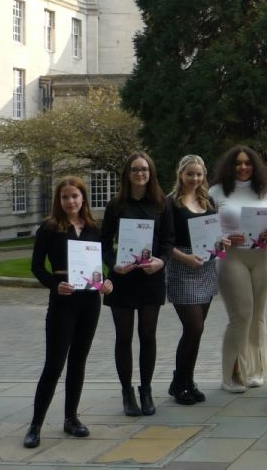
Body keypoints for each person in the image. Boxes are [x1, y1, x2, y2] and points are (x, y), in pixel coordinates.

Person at [24, 177, 114, 448]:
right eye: (65, 197)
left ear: (83, 198)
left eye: (75, 196)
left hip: (89, 300)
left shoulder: (93, 228)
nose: (71, 201)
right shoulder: (49, 228)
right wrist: (54, 284)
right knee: (54, 364)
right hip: (63, 300)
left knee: (78, 362)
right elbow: (37, 267)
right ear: (59, 200)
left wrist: (108, 282)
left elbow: (104, 263)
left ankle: (71, 419)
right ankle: (35, 425)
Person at [101, 151, 174, 417]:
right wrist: (113, 265)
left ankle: (145, 389)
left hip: (150, 278)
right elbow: (104, 243)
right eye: (135, 169)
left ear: (150, 172)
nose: (140, 173)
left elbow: (168, 241)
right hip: (122, 278)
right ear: (127, 174)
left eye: (144, 169)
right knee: (123, 337)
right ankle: (127, 391)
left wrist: (162, 262)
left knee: (148, 336)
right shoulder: (116, 206)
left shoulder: (161, 205)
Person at [209, 145, 267, 393]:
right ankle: (230, 375)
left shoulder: (263, 191)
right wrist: (224, 237)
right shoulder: (216, 192)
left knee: (258, 316)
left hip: (262, 255)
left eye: (247, 163)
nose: (243, 167)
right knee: (240, 316)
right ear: (230, 166)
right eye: (238, 163)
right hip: (231, 257)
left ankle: (255, 370)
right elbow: (206, 228)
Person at [165, 154, 229, 405]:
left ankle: (185, 381)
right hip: (182, 268)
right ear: (181, 174)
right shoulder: (171, 203)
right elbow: (165, 243)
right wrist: (185, 258)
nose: (195, 178)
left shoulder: (208, 200)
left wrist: (220, 242)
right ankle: (180, 382)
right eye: (190, 173)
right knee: (194, 327)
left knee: (196, 331)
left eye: (199, 174)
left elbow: (213, 233)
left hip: (206, 267)